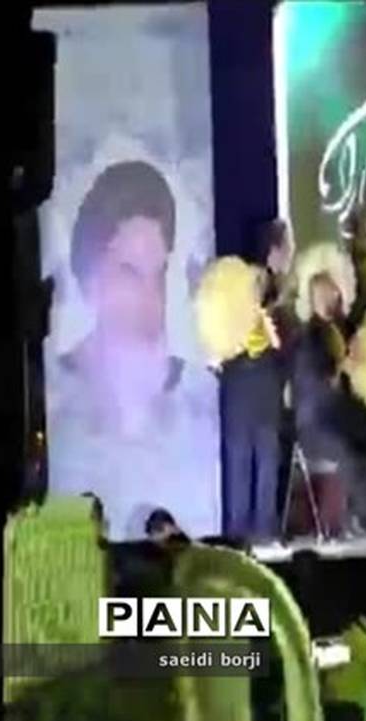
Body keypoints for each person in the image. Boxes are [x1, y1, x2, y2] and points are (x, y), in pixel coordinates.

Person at [48, 160, 218, 540]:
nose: (150, 302)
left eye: (159, 275)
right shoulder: (54, 400)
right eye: (129, 274)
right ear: (88, 277)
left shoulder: (197, 398)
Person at [290, 271, 366, 536]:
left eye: (335, 291)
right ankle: (360, 519)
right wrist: (344, 365)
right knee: (349, 452)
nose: (336, 296)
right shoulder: (309, 338)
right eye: (329, 292)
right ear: (316, 297)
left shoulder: (339, 329)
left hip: (339, 415)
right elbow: (320, 382)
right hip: (315, 426)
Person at [221, 251, 286, 542]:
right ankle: (239, 531)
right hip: (239, 392)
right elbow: (217, 356)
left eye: (260, 283)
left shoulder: (274, 318)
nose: (256, 288)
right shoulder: (227, 321)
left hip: (266, 393)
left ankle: (265, 527)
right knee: (240, 461)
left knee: (267, 460)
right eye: (252, 283)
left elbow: (283, 351)